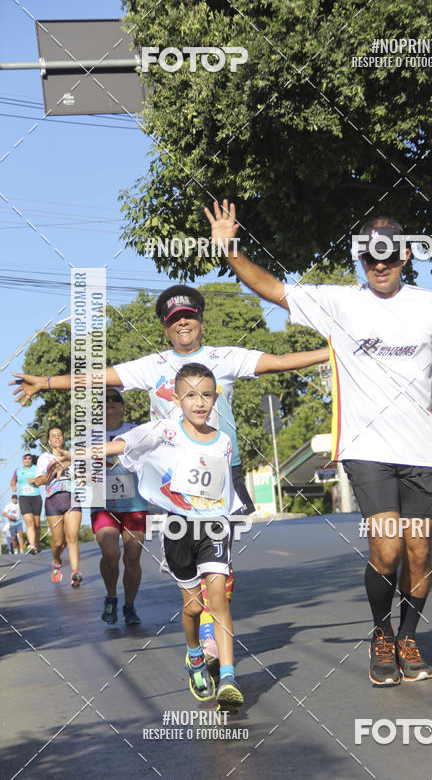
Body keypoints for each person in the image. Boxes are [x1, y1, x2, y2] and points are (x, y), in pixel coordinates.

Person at [205, 199, 432, 687]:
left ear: (405, 256)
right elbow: (274, 289)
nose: (379, 266)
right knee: (388, 549)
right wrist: (230, 251)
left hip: (420, 450)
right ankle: (381, 634)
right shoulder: (340, 303)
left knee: (419, 554)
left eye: (387, 257)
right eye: (370, 258)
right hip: (366, 449)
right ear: (361, 259)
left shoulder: (430, 306)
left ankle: (408, 637)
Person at [11, 285, 328, 664]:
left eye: (189, 316)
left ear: (201, 320)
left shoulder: (224, 357)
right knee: (190, 561)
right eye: (175, 319)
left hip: (222, 471)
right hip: (173, 479)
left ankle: (210, 629)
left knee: (220, 560)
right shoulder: (153, 365)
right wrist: (45, 382)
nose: (183, 324)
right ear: (165, 327)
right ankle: (199, 627)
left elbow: (279, 361)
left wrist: (333, 352)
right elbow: (97, 377)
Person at [57, 363, 243, 713]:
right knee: (193, 607)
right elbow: (121, 444)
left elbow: (222, 490)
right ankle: (193, 654)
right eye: (191, 395)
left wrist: (229, 521)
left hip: (214, 526)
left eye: (206, 395)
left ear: (215, 399)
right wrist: (75, 454)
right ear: (176, 399)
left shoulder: (223, 441)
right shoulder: (164, 430)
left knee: (217, 598)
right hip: (178, 528)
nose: (199, 402)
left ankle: (230, 679)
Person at [91, 388, 147, 626]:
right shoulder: (90, 435)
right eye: (105, 399)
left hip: (134, 502)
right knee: (111, 554)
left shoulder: (135, 431)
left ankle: (129, 606)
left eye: (115, 399)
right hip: (103, 504)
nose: (110, 402)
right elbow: (79, 468)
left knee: (132, 558)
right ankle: (111, 597)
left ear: (122, 405)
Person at [35, 427, 83, 586]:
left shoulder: (72, 455)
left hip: (72, 498)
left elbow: (83, 476)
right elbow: (38, 481)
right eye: (53, 436)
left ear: (63, 438)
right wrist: (51, 472)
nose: (57, 438)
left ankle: (75, 573)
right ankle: (56, 561)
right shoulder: (45, 458)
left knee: (72, 537)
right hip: (53, 501)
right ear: (48, 441)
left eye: (59, 435)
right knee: (57, 541)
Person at [11, 453, 42, 553]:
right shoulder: (18, 470)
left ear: (31, 460)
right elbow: (13, 481)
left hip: (36, 497)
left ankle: (37, 541)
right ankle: (32, 545)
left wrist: (36, 480)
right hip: (24, 498)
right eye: (25, 458)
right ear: (22, 460)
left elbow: (43, 479)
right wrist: (13, 486)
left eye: (29, 458)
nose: (27, 460)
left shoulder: (36, 469)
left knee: (37, 524)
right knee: (29, 522)